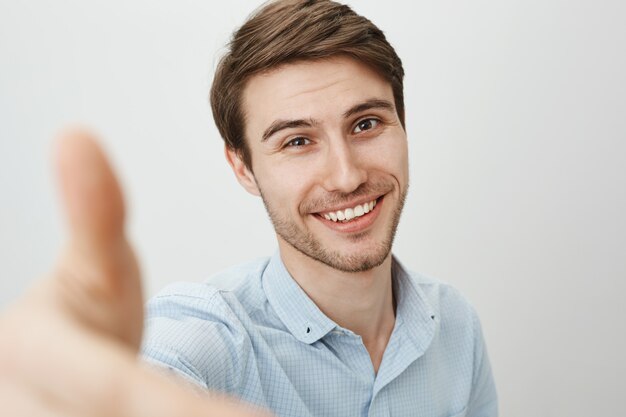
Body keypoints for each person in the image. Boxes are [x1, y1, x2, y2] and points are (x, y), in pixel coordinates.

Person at [0, 1, 497, 416]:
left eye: (366, 124)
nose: (347, 176)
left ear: (403, 126)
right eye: (298, 140)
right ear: (243, 168)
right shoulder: (214, 339)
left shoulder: (455, 324)